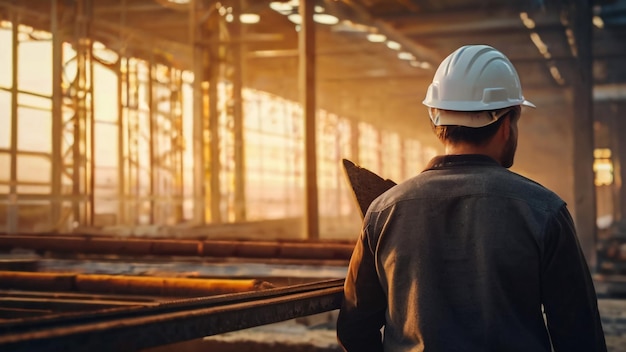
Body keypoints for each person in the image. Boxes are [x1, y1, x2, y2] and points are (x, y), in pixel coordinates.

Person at [336, 44, 607, 351]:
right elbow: (579, 335)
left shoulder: (384, 212)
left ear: (436, 120)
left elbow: (355, 329)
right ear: (507, 124)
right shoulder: (544, 212)